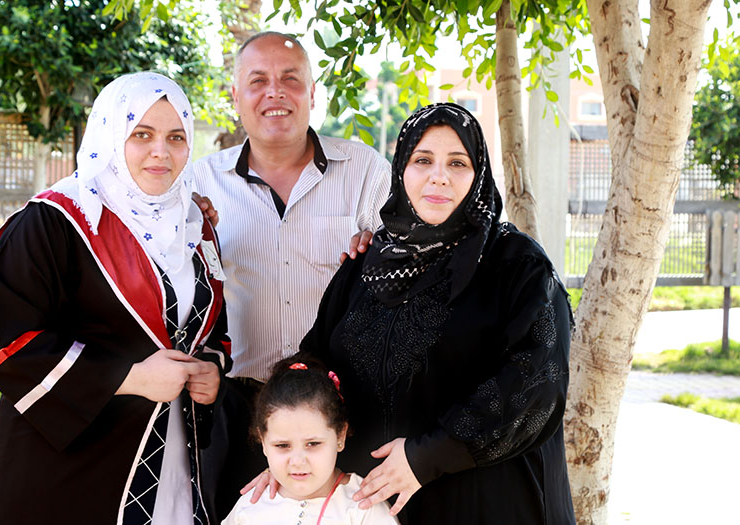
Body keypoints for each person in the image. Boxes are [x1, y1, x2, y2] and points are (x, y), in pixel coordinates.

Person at [291, 103, 576, 523]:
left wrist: (426, 456)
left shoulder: (518, 266)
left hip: (487, 505)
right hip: (374, 510)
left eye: (457, 163)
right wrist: (288, 449)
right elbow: (315, 364)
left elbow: (538, 386)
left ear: (479, 175)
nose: (438, 176)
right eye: (422, 160)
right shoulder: (366, 264)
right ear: (401, 171)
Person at [0, 73, 231, 524]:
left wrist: (211, 369)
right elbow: (7, 344)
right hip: (66, 473)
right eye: (141, 134)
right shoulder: (53, 221)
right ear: (110, 135)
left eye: (176, 137)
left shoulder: (194, 223)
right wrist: (129, 378)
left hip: (173, 463)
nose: (161, 151)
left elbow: (212, 328)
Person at [187, 31, 391, 519]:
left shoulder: (365, 172)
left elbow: (403, 275)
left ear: (313, 93)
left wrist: (377, 253)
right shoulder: (199, 183)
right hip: (239, 410)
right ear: (234, 95)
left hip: (336, 414)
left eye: (291, 79)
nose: (274, 92)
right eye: (257, 80)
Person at [223, 356, 400, 525]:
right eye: (282, 445)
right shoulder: (250, 507)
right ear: (263, 442)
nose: (298, 461)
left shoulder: (363, 506)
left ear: (340, 435)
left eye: (313, 444)